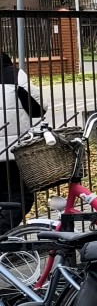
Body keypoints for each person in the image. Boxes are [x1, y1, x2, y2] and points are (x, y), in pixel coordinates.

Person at [0, 51, 45, 222]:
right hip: (12, 153)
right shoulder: (15, 75)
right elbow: (39, 107)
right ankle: (3, 231)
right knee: (21, 197)